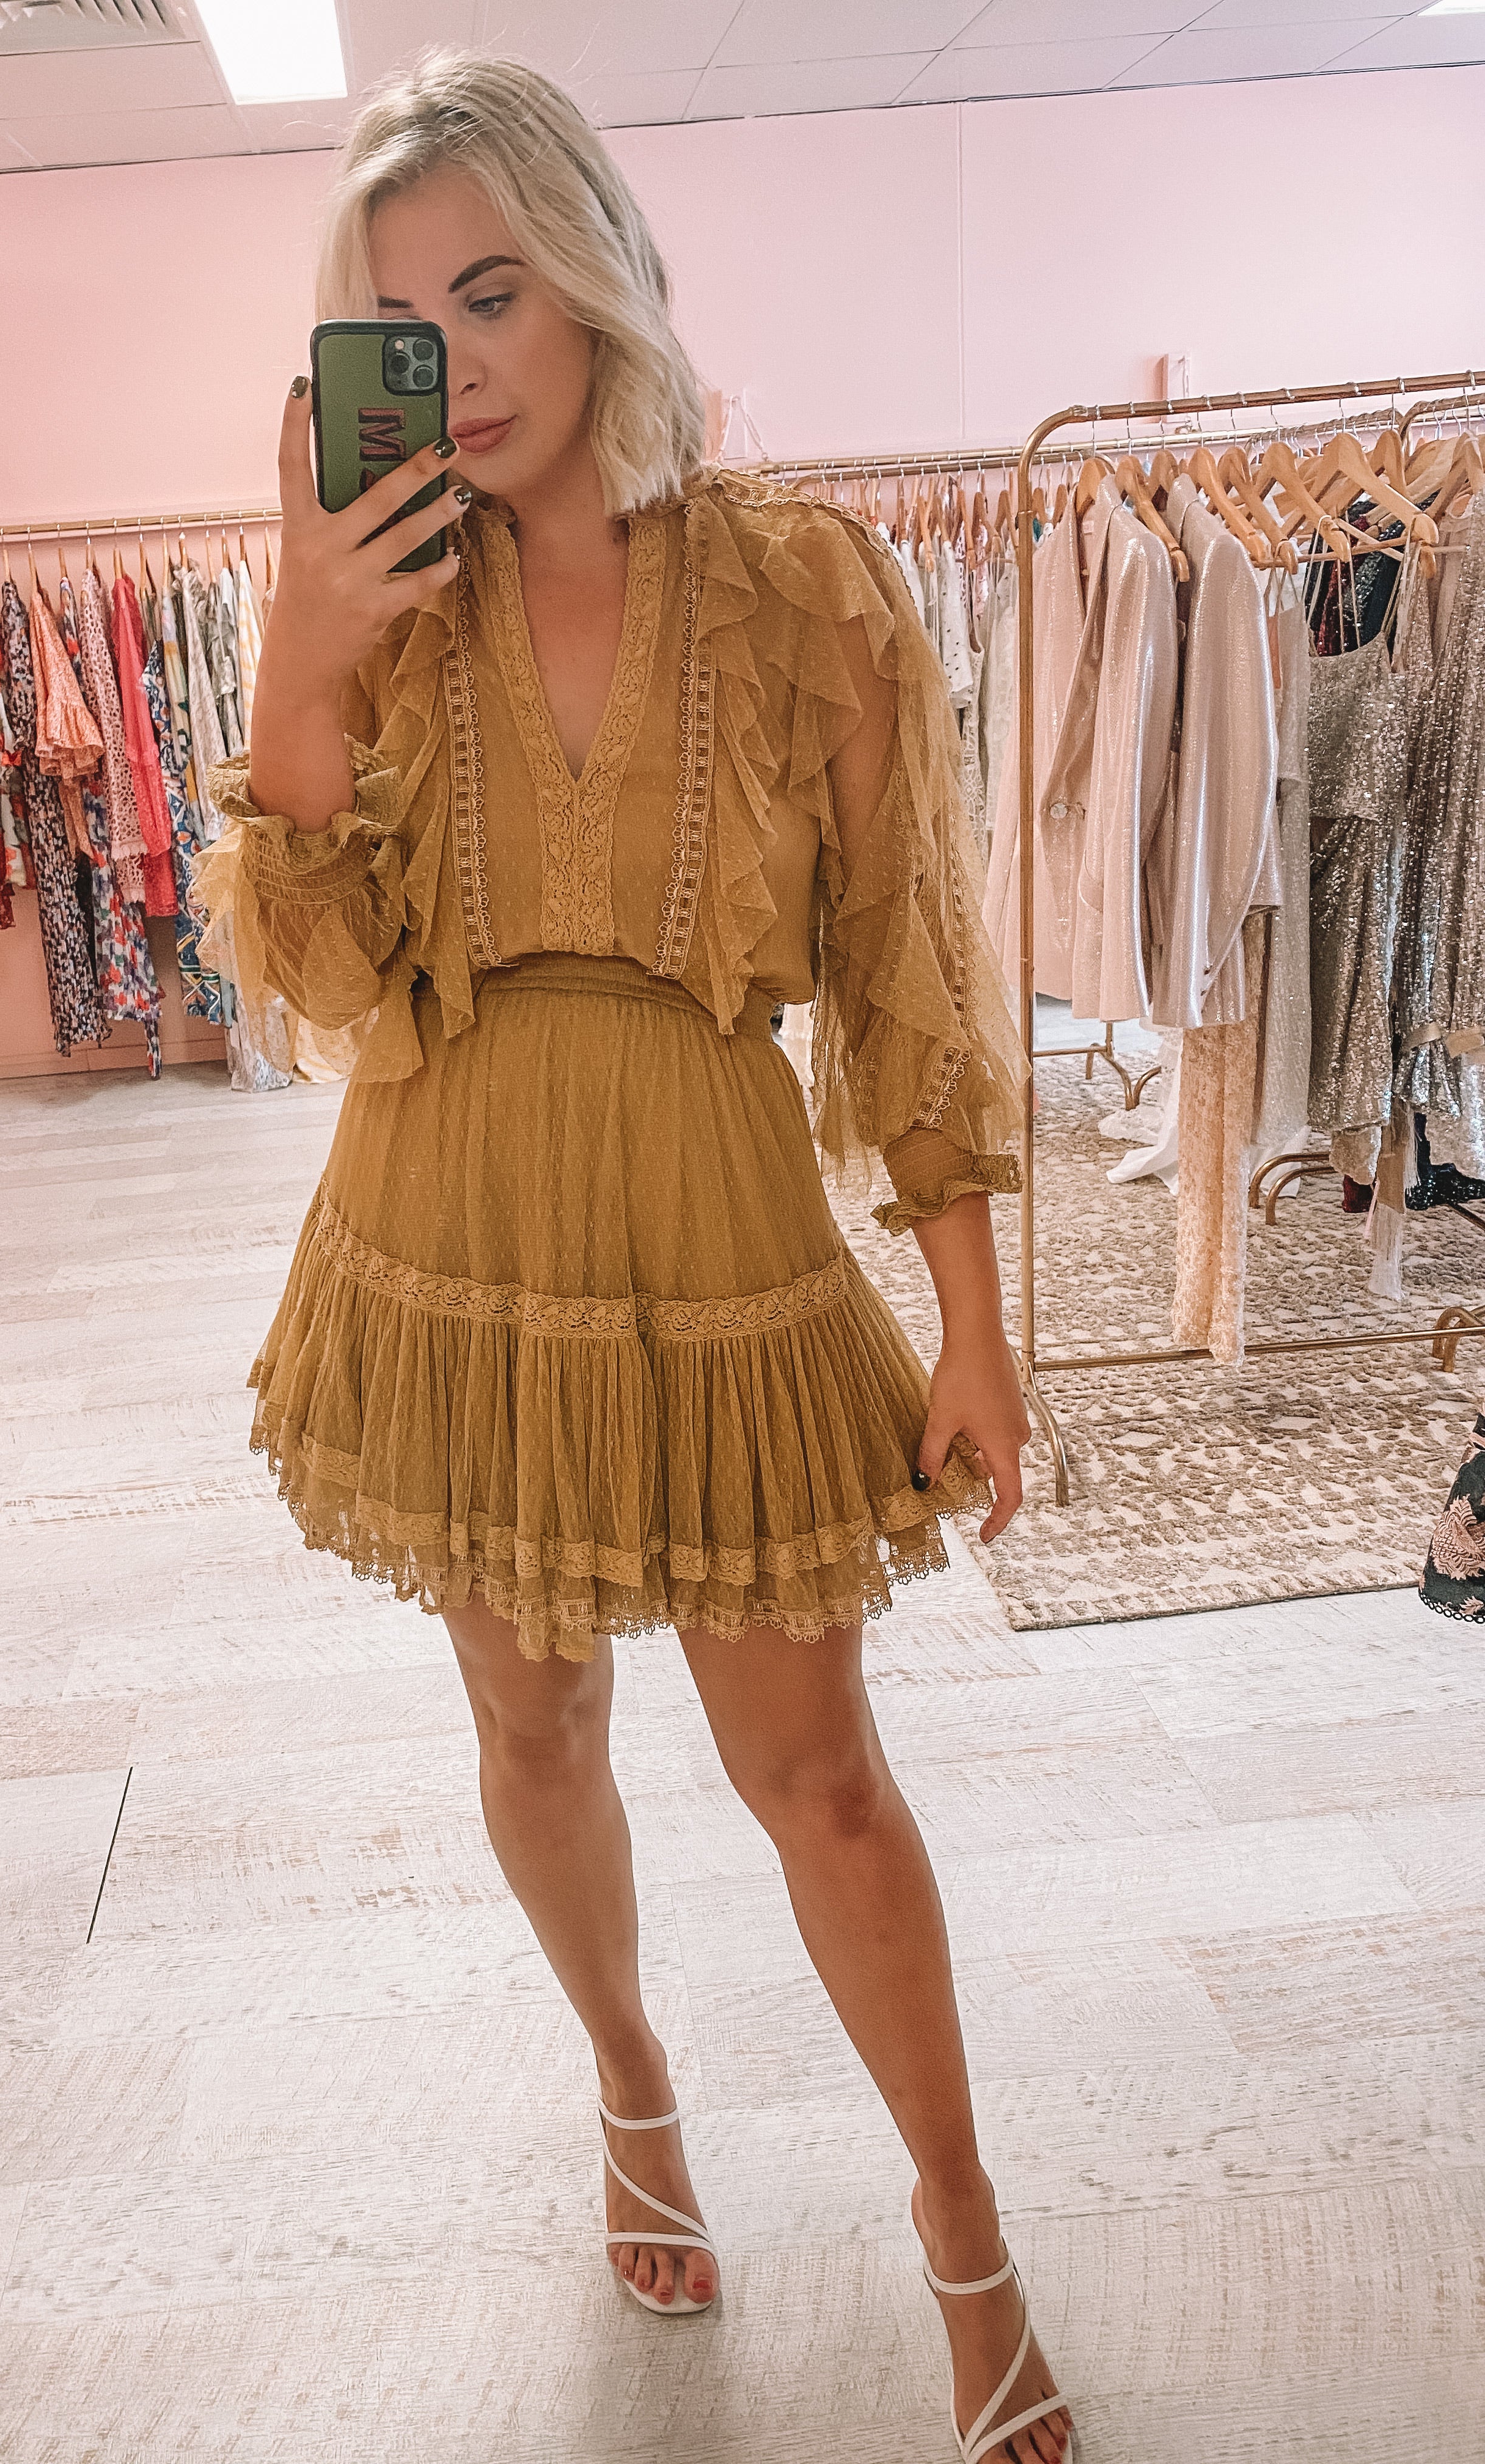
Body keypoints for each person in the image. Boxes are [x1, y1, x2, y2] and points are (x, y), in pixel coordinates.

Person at [198, 50, 1070, 2464]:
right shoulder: (381, 601)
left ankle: (963, 2224)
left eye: (493, 292)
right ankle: (629, 2081)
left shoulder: (805, 587)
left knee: (824, 1781)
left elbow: (907, 964)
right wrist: (300, 652)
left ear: (599, 277)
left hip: (715, 1222)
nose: (457, 362)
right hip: (445, 1229)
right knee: (531, 1725)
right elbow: (322, 974)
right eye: (399, 323)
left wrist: (974, 1317)